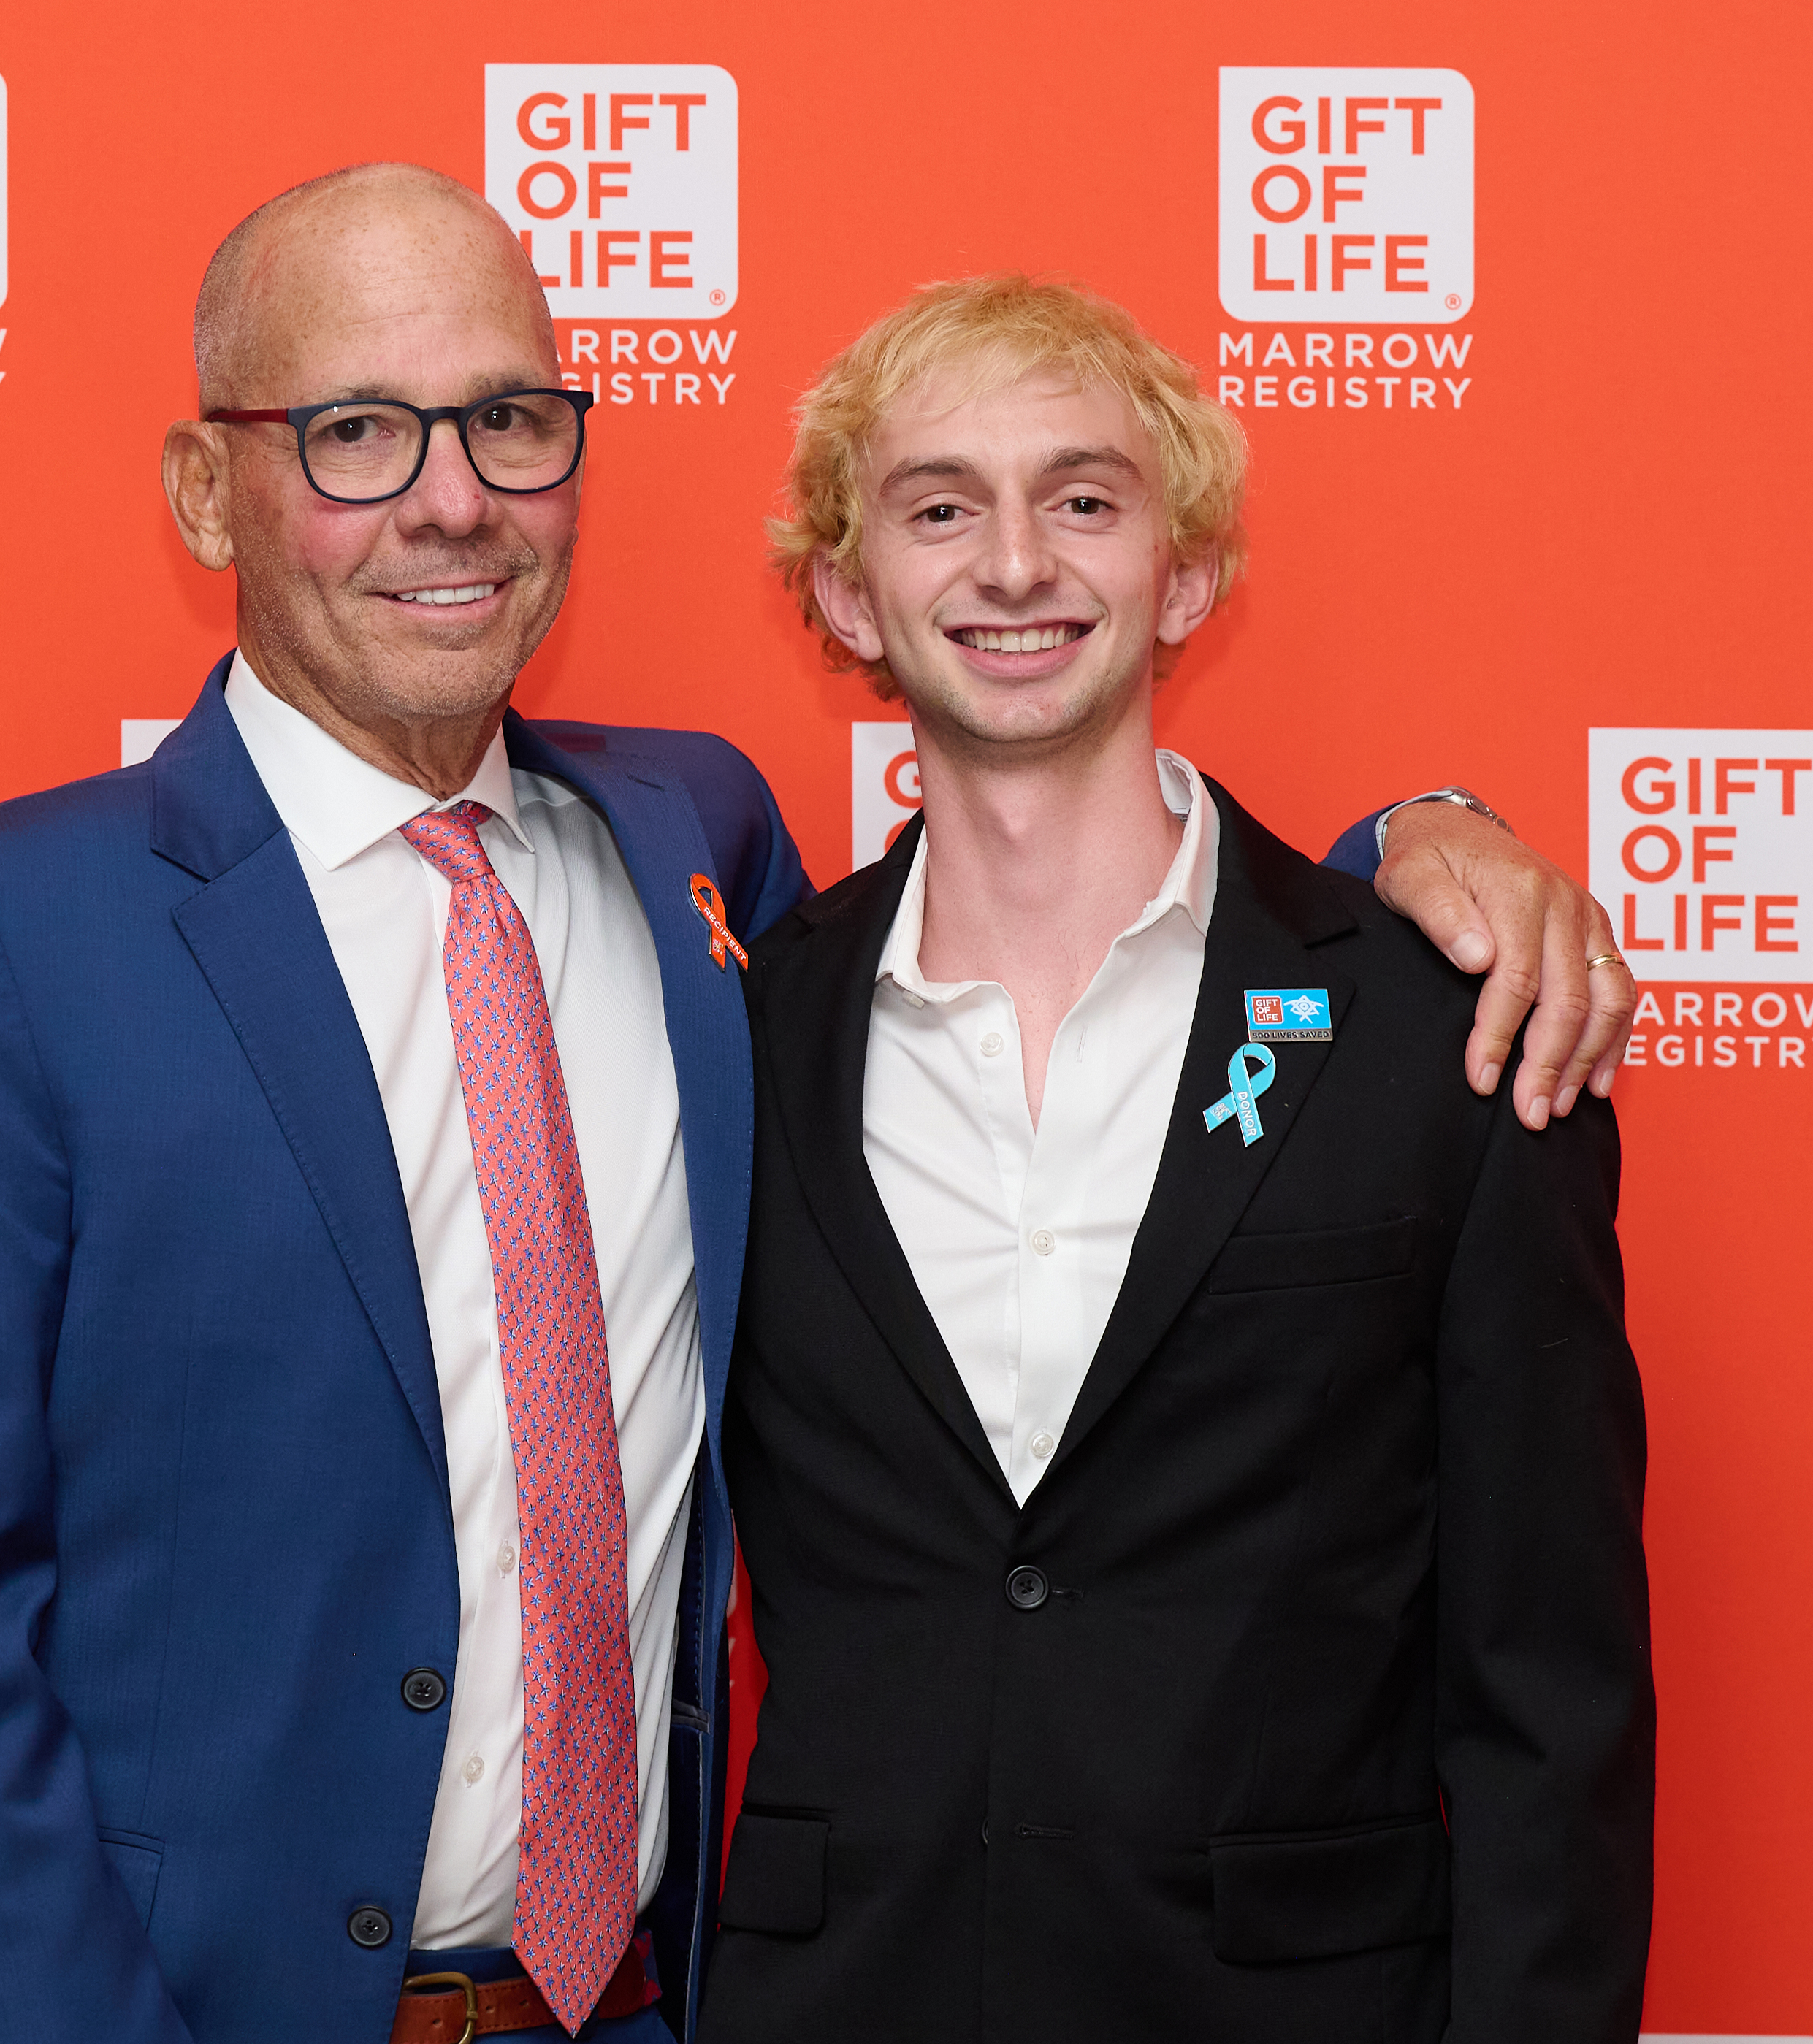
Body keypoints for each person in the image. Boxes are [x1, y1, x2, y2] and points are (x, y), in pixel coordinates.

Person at [0, 167, 1635, 2044]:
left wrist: (1419, 842)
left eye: (507, 421)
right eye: (352, 433)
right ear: (203, 488)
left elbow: (1104, 927)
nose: (449, 497)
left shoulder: (692, 865)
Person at [701, 275, 1654, 2043]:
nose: (1011, 564)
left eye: (1082, 498)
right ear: (847, 591)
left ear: (1186, 573)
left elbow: (1551, 1694)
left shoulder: (1442, 1034)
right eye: (937, 506)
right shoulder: (737, 1042)